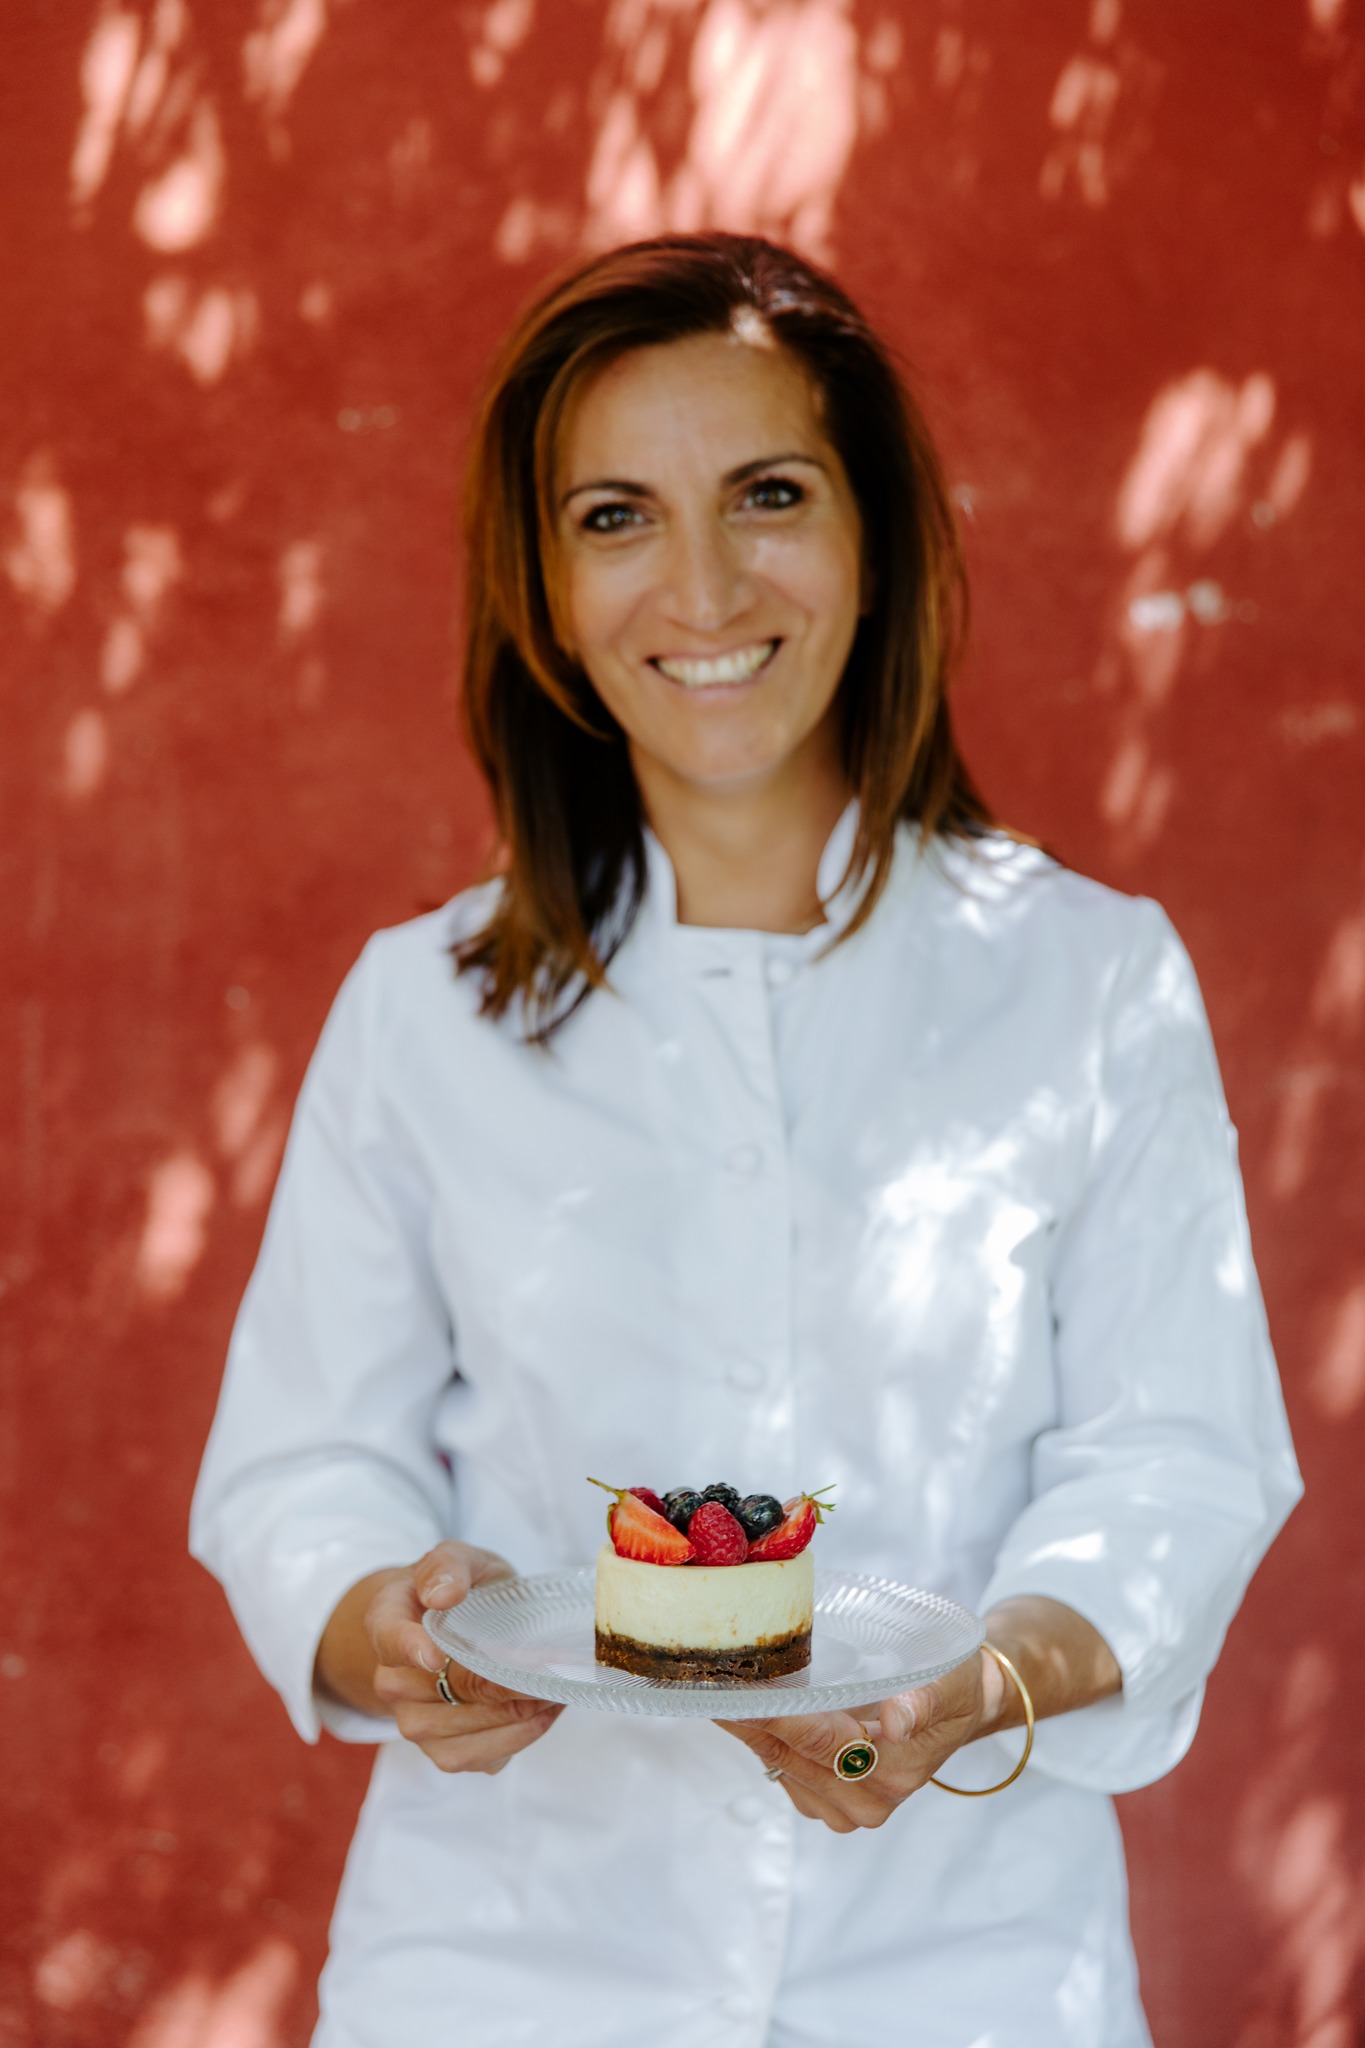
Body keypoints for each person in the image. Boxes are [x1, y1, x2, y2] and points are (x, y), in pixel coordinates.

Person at [191, 233, 1302, 2047]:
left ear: (874, 538)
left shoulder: (1089, 980)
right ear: (544, 588)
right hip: (496, 1972)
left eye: (766, 495)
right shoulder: (421, 1010)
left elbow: (1176, 1464)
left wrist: (974, 1690)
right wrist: (382, 1621)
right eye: (614, 516)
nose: (698, 586)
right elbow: (296, 1470)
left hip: (970, 1971)